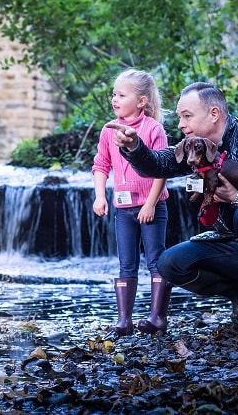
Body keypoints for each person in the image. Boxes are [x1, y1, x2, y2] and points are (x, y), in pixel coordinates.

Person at [107, 82, 238, 338]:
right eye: (180, 117)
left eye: (187, 116)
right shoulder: (194, 147)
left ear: (214, 114)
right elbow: (156, 165)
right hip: (231, 244)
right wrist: (134, 147)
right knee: (169, 263)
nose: (180, 124)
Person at [92, 69, 171, 336]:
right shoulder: (108, 130)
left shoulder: (153, 129)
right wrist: (100, 195)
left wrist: (150, 204)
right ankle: (124, 320)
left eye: (121, 95)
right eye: (114, 94)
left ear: (141, 101)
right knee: (126, 263)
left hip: (152, 207)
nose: (114, 99)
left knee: (155, 260)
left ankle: (157, 317)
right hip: (123, 209)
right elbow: (101, 164)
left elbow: (162, 168)